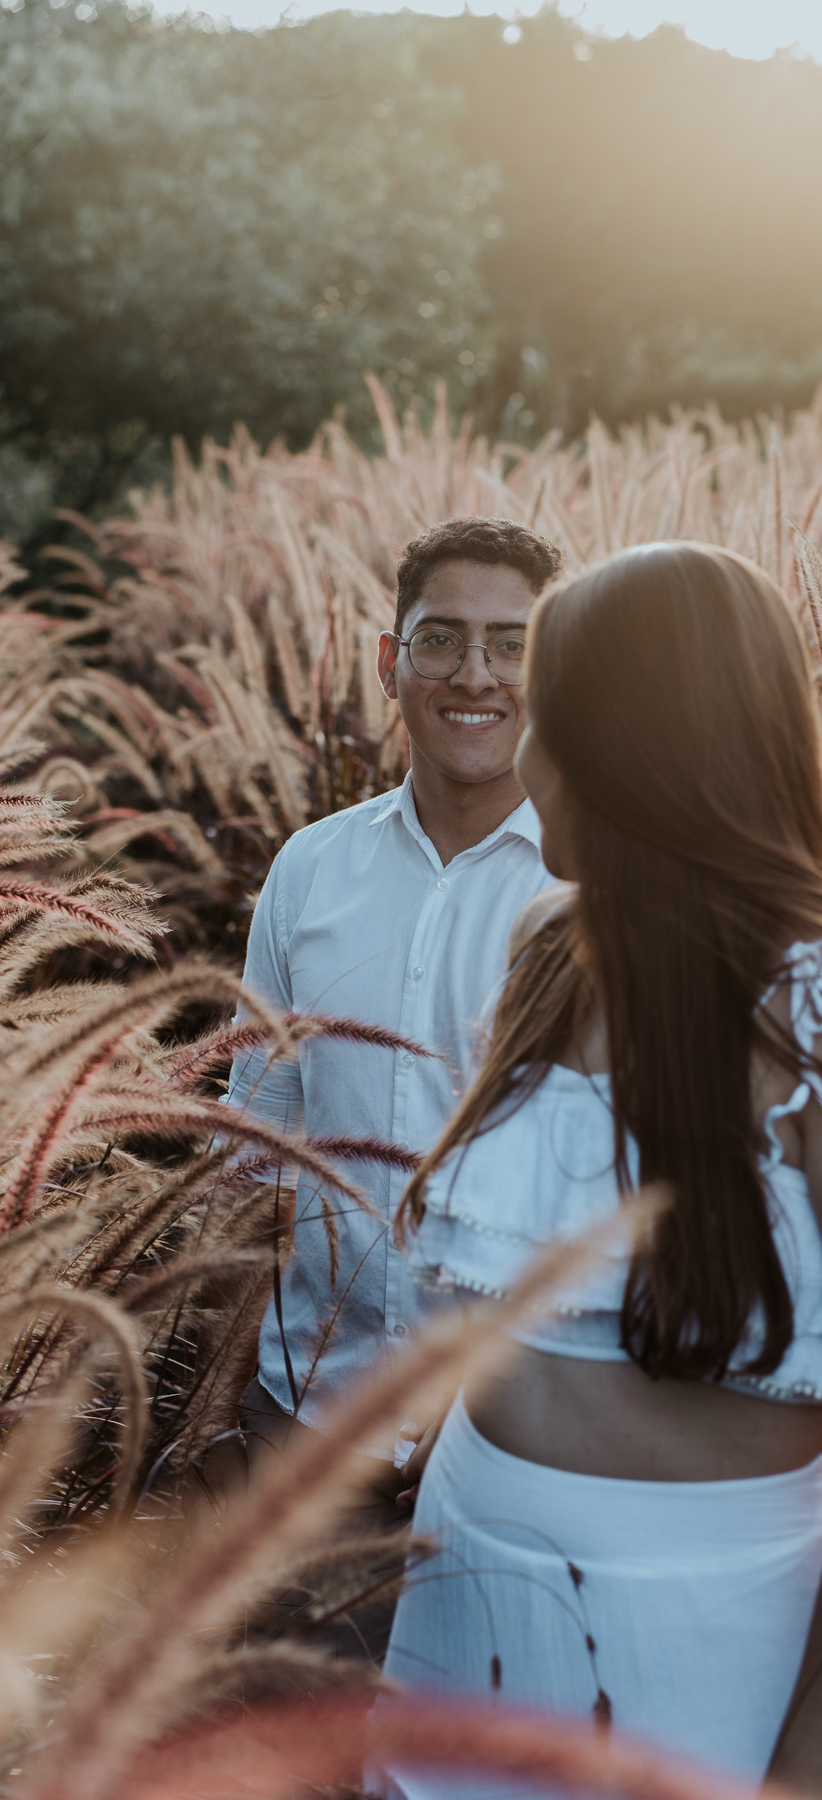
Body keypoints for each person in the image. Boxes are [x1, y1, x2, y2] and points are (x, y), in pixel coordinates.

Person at [374, 542, 822, 1796]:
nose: (526, 760)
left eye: (552, 717)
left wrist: (800, 1782)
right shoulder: (551, 943)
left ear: (637, 747)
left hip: (715, 1642)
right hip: (468, 1603)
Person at [225, 515, 561, 1660]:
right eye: (441, 639)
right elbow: (253, 1150)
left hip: (520, 1458)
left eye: (513, 644)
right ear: (388, 662)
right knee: (303, 1733)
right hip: (311, 1436)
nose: (476, 675)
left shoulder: (597, 889)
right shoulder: (308, 871)